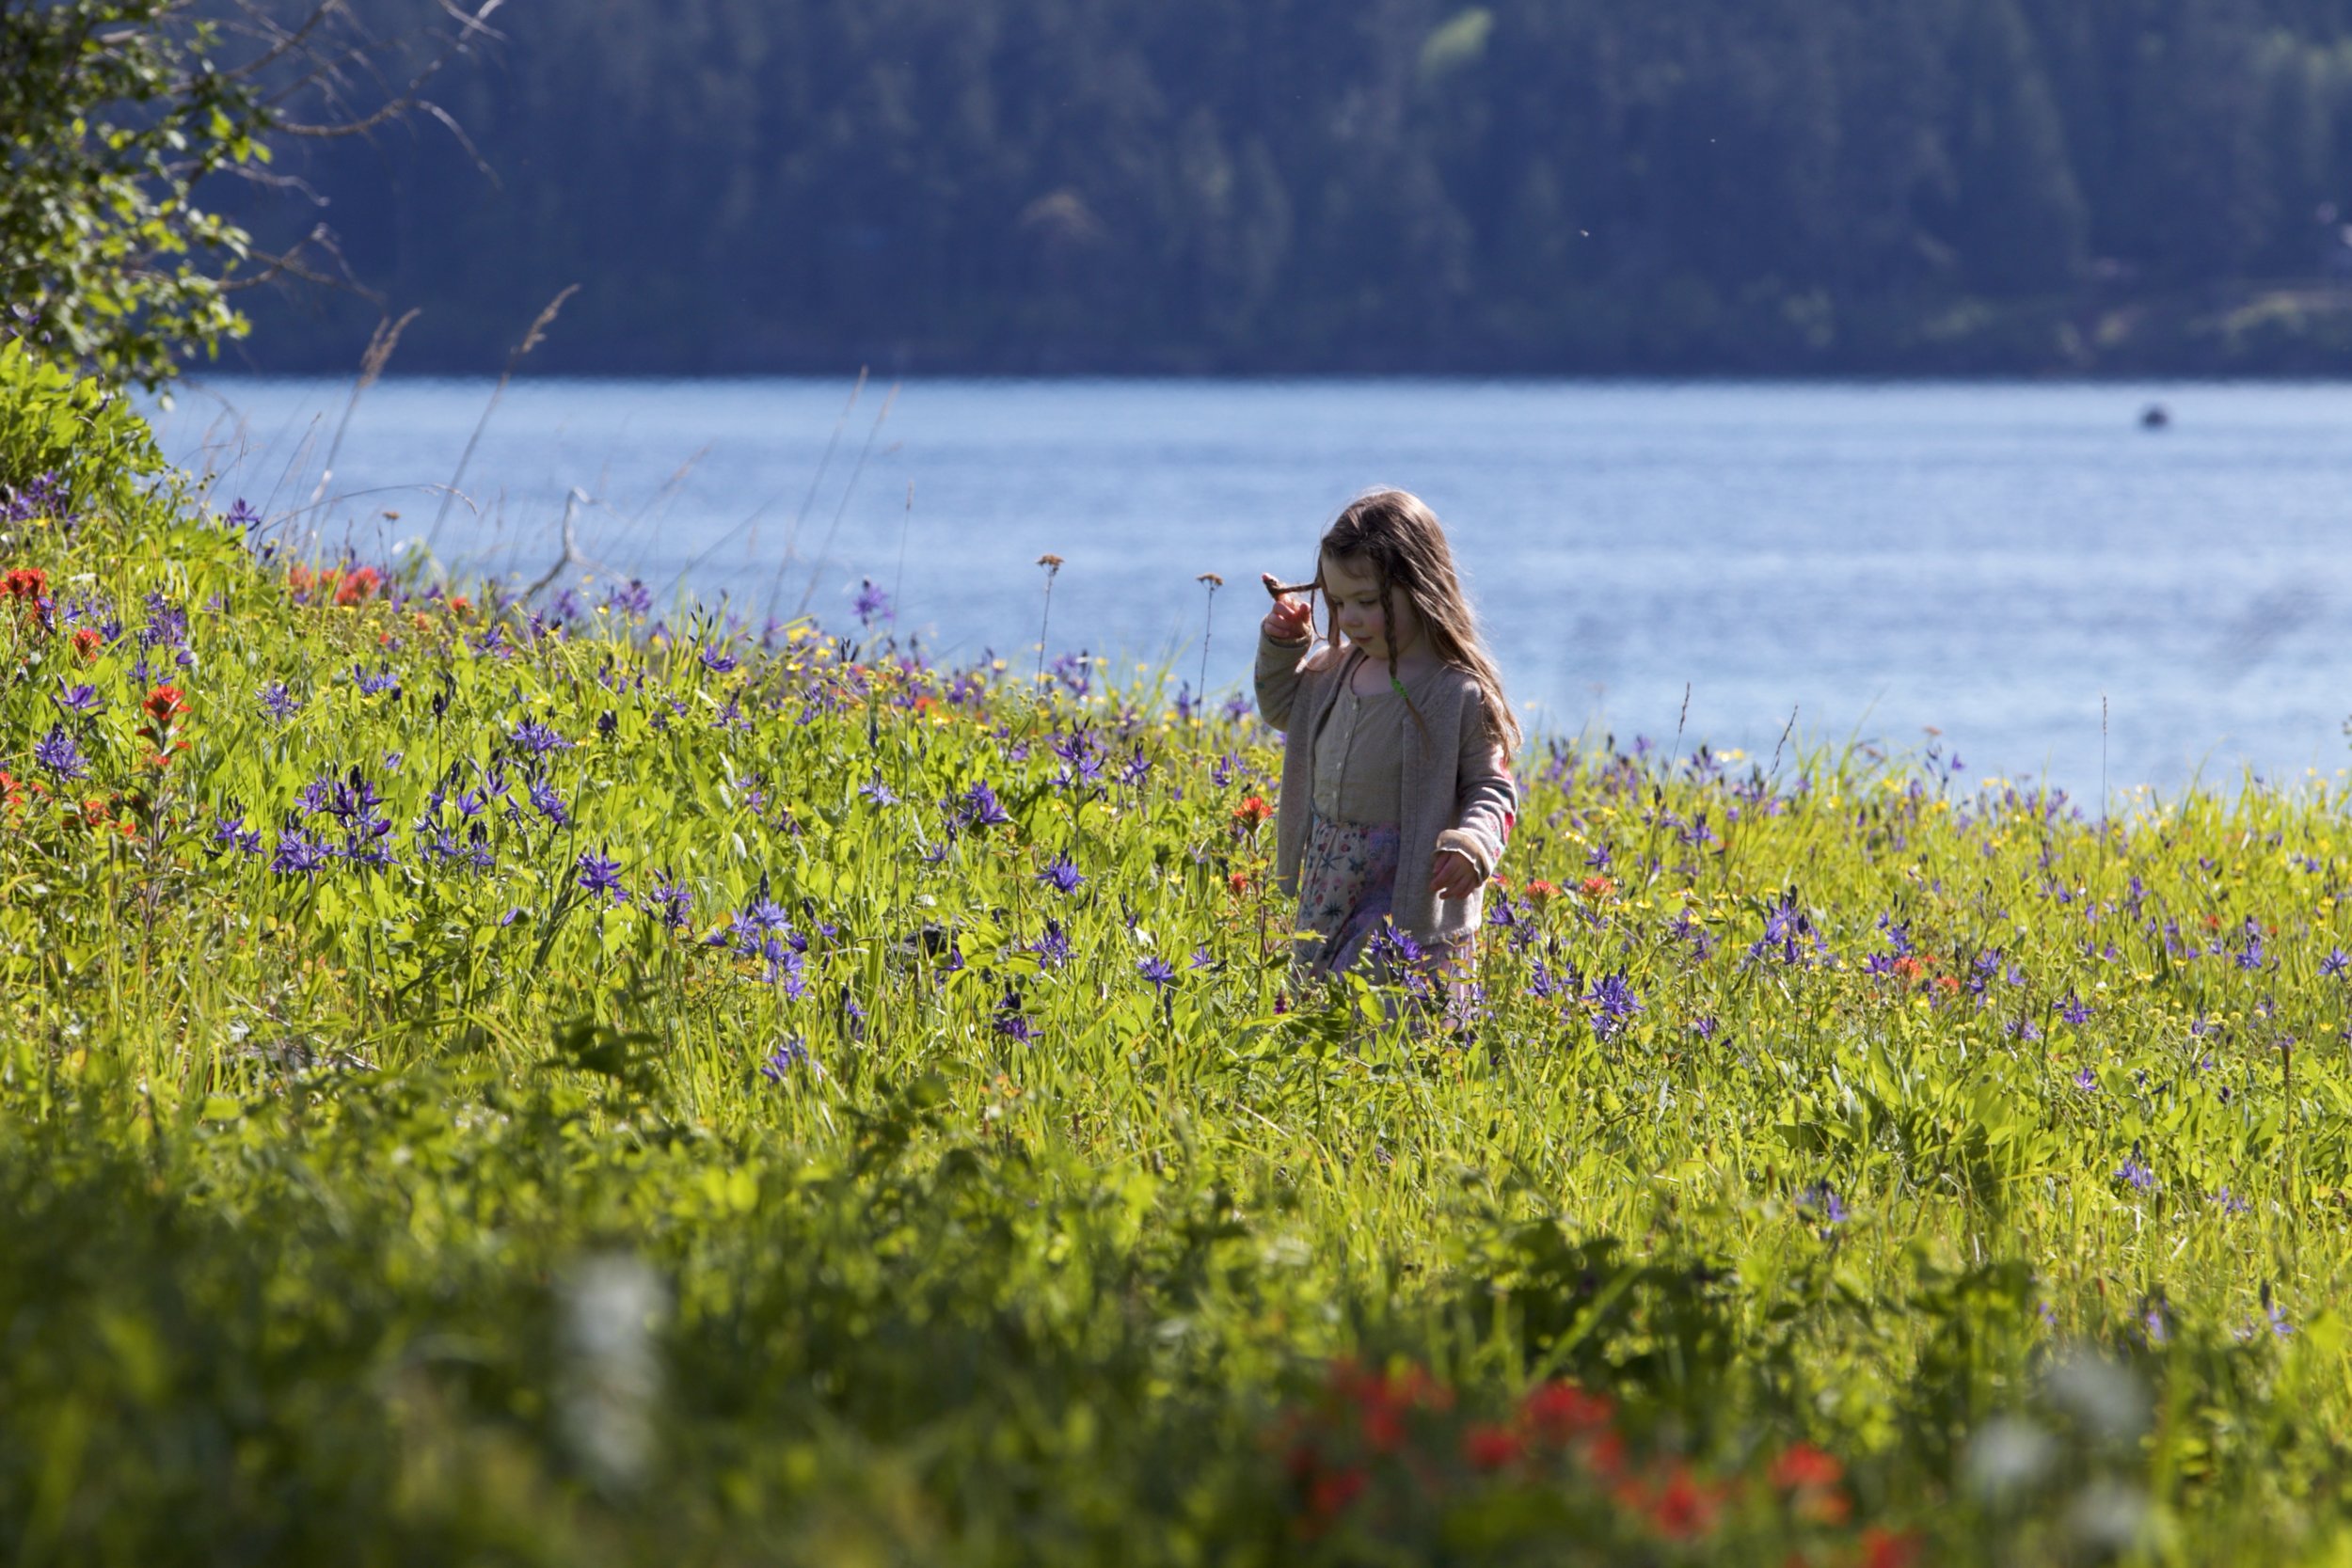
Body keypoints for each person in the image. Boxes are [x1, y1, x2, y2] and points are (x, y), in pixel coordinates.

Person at [1253, 487, 1518, 993]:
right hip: (1330, 878)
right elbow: (1279, 706)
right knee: (1318, 1010)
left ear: (1420, 587)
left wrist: (1473, 846)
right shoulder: (1332, 670)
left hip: (1411, 886)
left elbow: (1493, 787)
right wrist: (1284, 645)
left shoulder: (1455, 690)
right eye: (1338, 602)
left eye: (1367, 601)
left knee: (1395, 1013)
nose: (1349, 618)